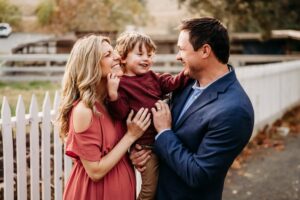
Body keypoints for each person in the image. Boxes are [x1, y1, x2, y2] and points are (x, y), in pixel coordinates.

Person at [131, 17, 255, 200]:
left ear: (205, 50)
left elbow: (199, 174)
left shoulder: (235, 110)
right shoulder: (186, 82)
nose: (177, 56)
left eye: (182, 49)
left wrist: (164, 133)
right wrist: (140, 151)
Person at [57, 35, 151, 200]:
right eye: (108, 55)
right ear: (91, 66)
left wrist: (134, 153)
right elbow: (95, 171)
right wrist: (130, 136)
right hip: (94, 193)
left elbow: (115, 147)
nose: (117, 57)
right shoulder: (84, 111)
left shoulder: (113, 102)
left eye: (113, 51)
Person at [106, 31, 188, 200]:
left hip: (164, 140)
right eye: (140, 54)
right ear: (123, 58)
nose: (146, 59)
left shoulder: (153, 77)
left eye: (150, 55)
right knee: (149, 190)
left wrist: (186, 72)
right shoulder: (122, 84)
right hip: (145, 149)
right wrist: (113, 95)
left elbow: (171, 83)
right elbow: (120, 112)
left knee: (166, 185)